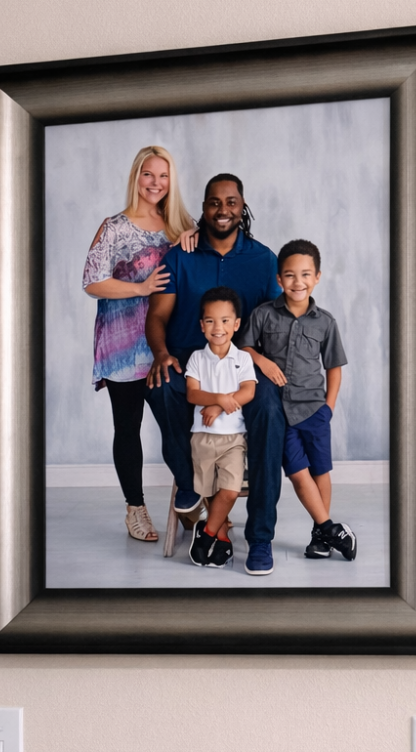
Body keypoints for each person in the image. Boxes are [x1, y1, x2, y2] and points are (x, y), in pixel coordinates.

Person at [145, 173, 284, 575]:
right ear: (204, 208)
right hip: (189, 362)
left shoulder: (263, 259)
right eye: (214, 202)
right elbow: (157, 315)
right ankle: (189, 482)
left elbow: (276, 322)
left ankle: (260, 538)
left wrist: (265, 362)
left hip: (243, 365)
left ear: (243, 207)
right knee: (160, 387)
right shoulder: (180, 255)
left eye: (231, 202)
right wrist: (161, 354)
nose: (223, 210)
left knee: (270, 410)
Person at [82, 146, 195, 543]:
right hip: (123, 348)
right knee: (128, 428)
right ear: (136, 177)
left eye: (163, 176)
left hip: (166, 346)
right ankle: (136, 509)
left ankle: (190, 502)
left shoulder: (181, 226)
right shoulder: (114, 227)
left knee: (179, 428)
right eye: (149, 174)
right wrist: (141, 287)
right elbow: (92, 282)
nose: (155, 183)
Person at [237, 239, 356, 561]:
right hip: (282, 413)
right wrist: (262, 361)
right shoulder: (264, 314)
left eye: (305, 274)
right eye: (289, 275)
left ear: (317, 277)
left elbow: (334, 367)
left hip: (314, 410)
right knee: (297, 473)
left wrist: (329, 408)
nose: (297, 282)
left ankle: (321, 537)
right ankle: (330, 528)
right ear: (279, 279)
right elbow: (244, 348)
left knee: (320, 470)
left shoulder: (326, 322)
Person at [184, 287, 258, 568]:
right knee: (210, 492)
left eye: (225, 320)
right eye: (211, 321)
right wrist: (218, 399)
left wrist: (218, 406)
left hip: (233, 438)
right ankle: (223, 535)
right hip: (203, 437)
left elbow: (248, 391)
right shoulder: (197, 358)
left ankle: (206, 534)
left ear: (236, 324)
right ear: (202, 325)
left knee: (229, 491)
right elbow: (193, 394)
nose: (218, 328)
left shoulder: (243, 359)